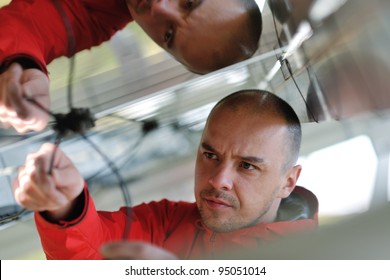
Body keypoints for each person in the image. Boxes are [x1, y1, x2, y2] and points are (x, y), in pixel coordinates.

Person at [13, 89, 318, 259]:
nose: (217, 179)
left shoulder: (313, 259)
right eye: (210, 155)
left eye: (247, 166)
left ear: (288, 182)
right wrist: (65, 203)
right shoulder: (169, 221)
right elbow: (93, 251)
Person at [0, 0, 262, 133]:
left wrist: (23, 68)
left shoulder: (97, 16)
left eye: (168, 35)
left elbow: (32, 28)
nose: (159, 8)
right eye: (190, 1)